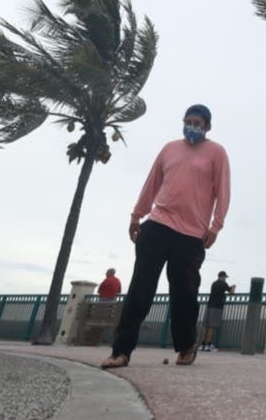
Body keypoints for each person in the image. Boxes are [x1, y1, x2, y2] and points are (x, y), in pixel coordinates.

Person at [101, 104, 231, 369]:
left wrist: (215, 226)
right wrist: (136, 216)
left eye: (198, 122)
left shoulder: (216, 153)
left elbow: (223, 191)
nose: (192, 126)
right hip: (158, 225)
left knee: (184, 294)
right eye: (188, 121)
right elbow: (152, 184)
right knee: (140, 289)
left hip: (192, 235)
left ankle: (185, 347)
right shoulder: (169, 148)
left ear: (207, 126)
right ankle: (121, 351)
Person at [199, 270, 236, 351]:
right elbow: (231, 293)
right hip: (216, 307)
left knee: (206, 326)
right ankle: (209, 346)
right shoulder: (223, 284)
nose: (225, 279)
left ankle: (202, 345)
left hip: (209, 305)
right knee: (212, 326)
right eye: (225, 277)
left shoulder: (214, 283)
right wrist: (233, 287)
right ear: (222, 277)